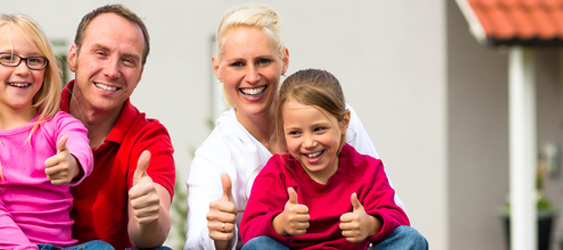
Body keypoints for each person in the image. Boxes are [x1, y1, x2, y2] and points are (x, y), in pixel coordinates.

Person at [0, 4, 175, 250]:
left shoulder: (146, 137)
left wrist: (147, 213)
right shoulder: (27, 110)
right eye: (100, 53)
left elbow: (151, 234)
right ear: (73, 57)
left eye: (128, 60)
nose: (112, 70)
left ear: (140, 74)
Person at [183, 4, 416, 250]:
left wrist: (371, 223)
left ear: (284, 60)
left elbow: (395, 216)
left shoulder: (334, 115)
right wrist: (221, 234)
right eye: (238, 64)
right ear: (217, 68)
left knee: (410, 239)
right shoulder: (217, 156)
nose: (252, 77)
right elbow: (206, 241)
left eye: (263, 61)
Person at [0, 13, 109, 250]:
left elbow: (80, 147)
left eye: (34, 60)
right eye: (8, 58)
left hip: (57, 246)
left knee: (101, 248)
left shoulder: (59, 124)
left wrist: (73, 163)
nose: (23, 70)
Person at [239, 69, 427, 250]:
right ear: (283, 131)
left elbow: (399, 220)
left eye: (319, 129)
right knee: (257, 247)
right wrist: (279, 223)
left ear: (344, 123)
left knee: (411, 239)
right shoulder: (277, 173)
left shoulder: (367, 169)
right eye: (295, 133)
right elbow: (249, 232)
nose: (309, 143)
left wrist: (371, 224)